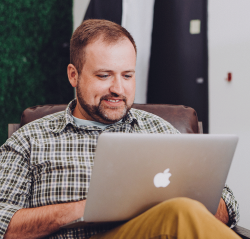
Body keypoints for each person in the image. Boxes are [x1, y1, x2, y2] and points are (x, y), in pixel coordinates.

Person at [0, 19, 240, 239]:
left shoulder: (159, 130)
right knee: (180, 212)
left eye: (127, 75)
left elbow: (228, 205)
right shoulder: (30, 139)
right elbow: (3, 221)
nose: (118, 88)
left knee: (181, 210)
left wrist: (168, 200)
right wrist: (88, 208)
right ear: (74, 76)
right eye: (104, 75)